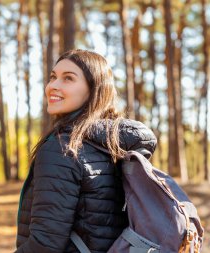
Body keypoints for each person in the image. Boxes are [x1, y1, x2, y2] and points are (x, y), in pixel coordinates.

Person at [15, 49, 157, 253]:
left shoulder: (63, 147)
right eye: (53, 77)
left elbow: (45, 244)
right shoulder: (113, 147)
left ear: (94, 89)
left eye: (68, 79)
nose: (53, 86)